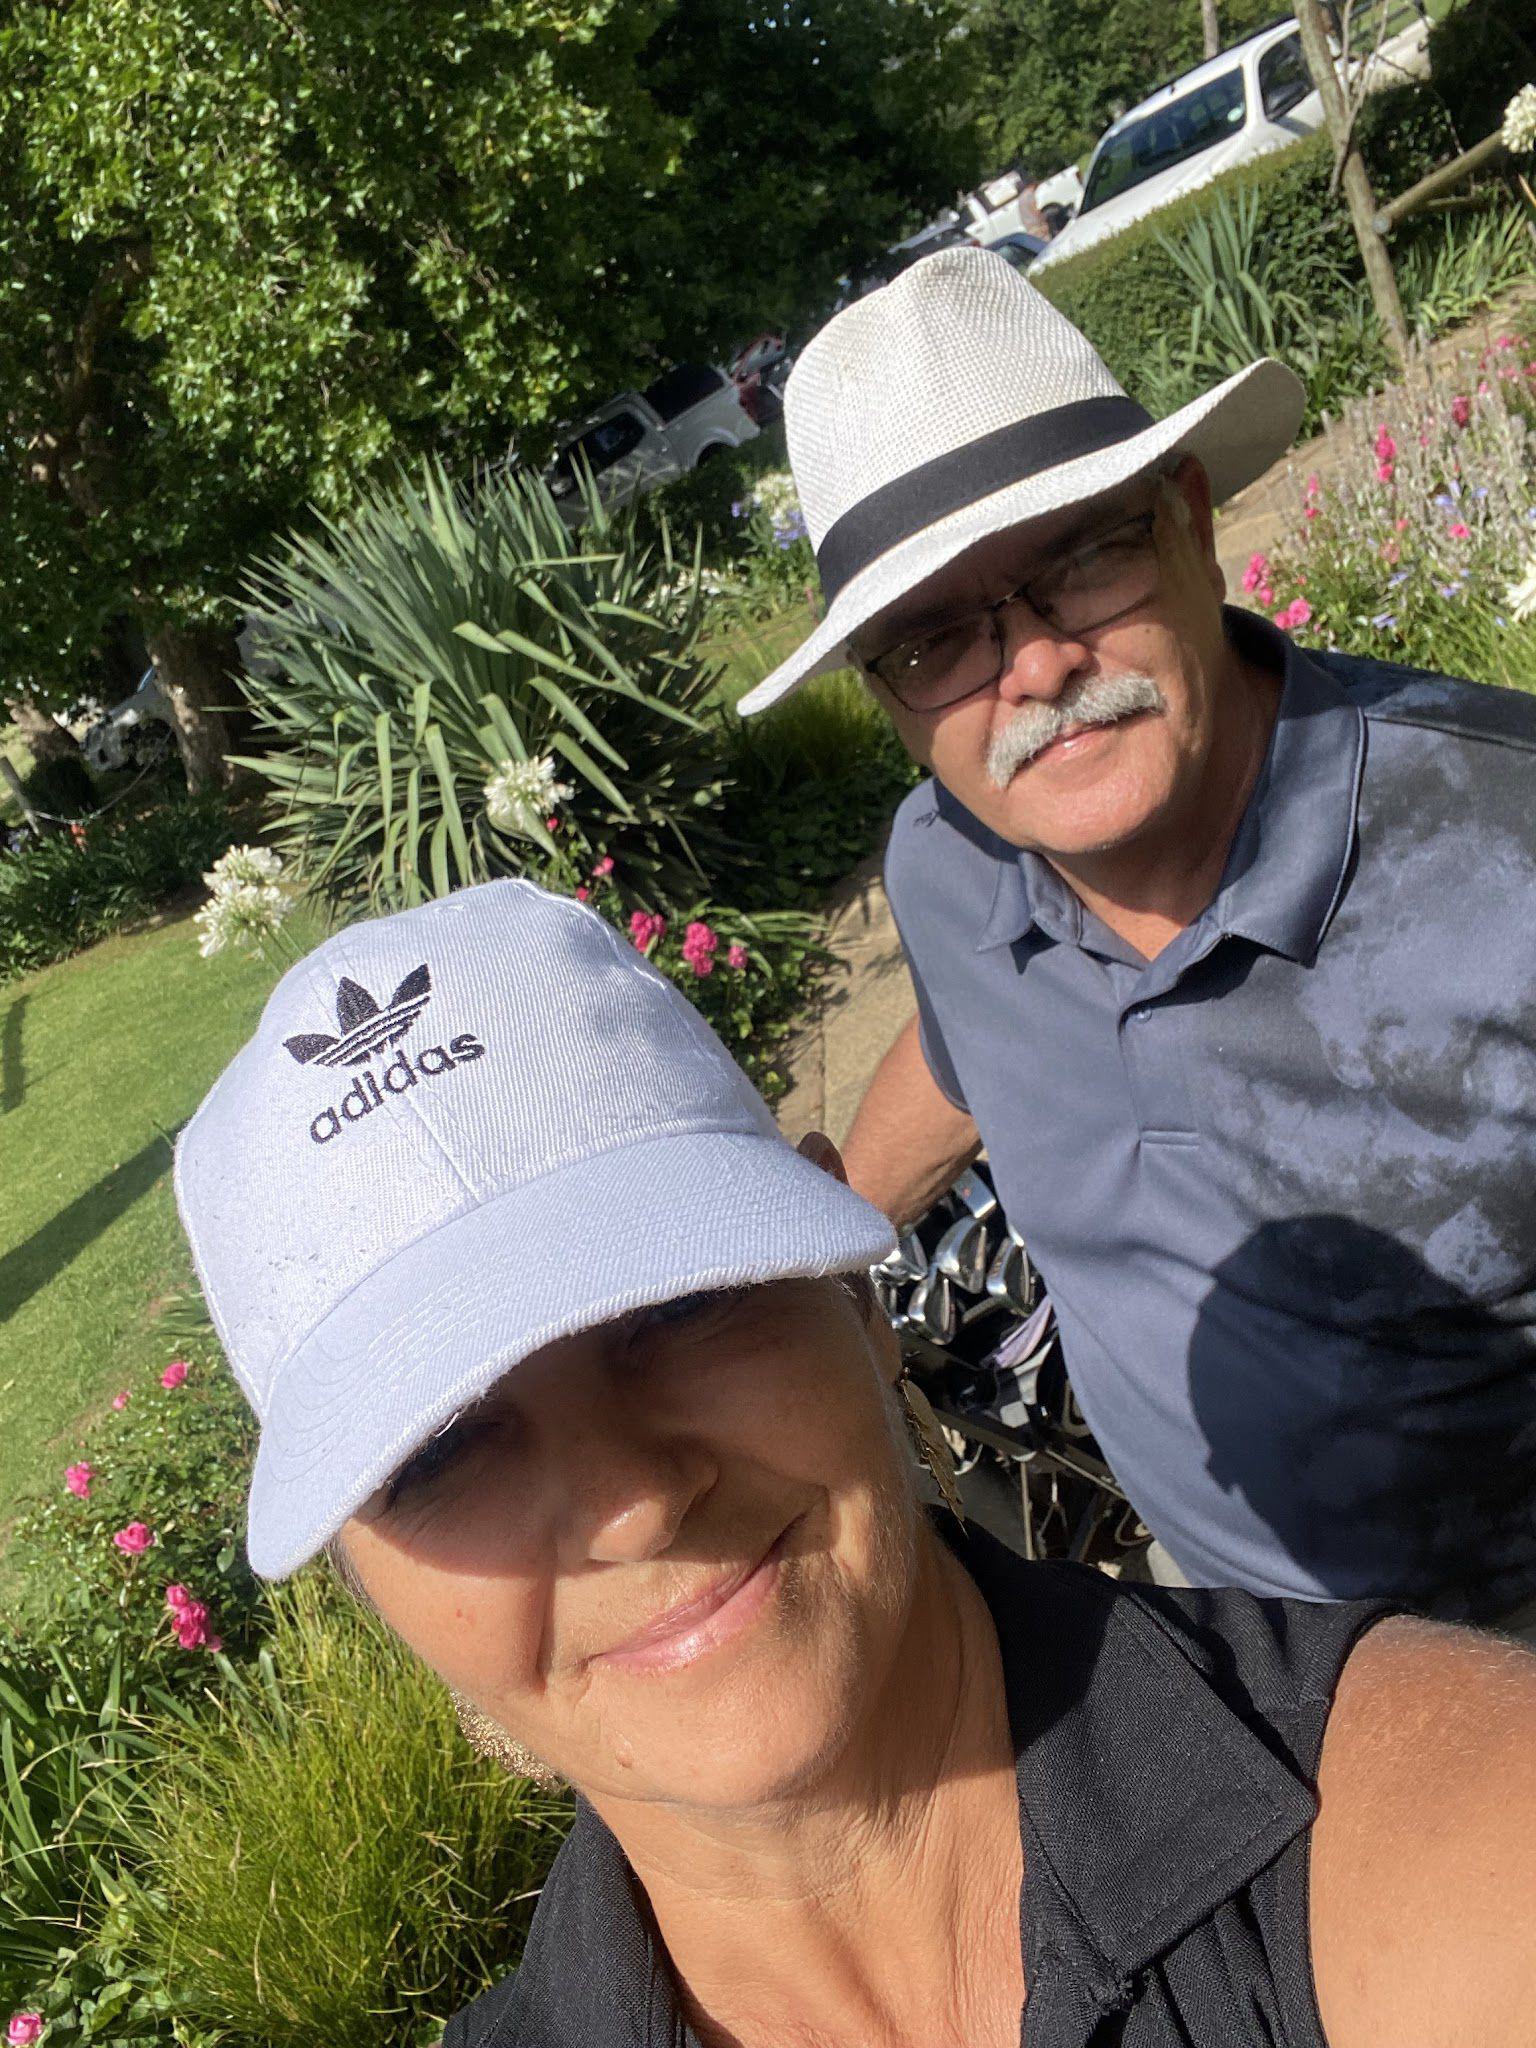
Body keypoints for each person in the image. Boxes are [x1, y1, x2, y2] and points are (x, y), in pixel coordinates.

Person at [175, 878, 1536, 2048]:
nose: (636, 1504)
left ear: (858, 1292)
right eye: (440, 1450)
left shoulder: (1432, 1833)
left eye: (677, 1309)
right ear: (367, 1577)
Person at [736, 243, 1536, 1628]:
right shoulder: (951, 860)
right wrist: (819, 1250)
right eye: (935, 642)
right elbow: (964, 1046)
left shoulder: (1501, 861)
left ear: (1189, 516)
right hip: (1221, 1636)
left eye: (1082, 558)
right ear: (888, 700)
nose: (1034, 666)